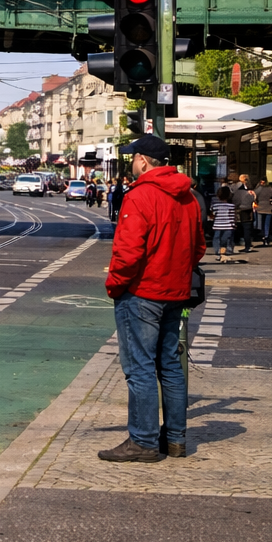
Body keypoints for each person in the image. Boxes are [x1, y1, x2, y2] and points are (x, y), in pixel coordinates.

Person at [100, 133, 204, 463]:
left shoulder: (140, 196)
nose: (132, 162)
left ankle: (143, 441)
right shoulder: (188, 197)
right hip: (176, 292)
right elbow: (199, 247)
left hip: (142, 292)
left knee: (140, 368)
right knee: (170, 366)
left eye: (134, 157)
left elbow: (128, 254)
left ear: (144, 160)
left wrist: (115, 285)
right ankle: (175, 440)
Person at [210, 185, 238, 263]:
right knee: (227, 239)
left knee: (216, 238)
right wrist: (234, 224)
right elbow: (233, 217)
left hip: (217, 225)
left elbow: (212, 215)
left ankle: (218, 251)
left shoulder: (215, 206)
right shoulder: (232, 206)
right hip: (228, 225)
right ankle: (227, 250)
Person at [231, 174, 256, 253]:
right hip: (247, 211)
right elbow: (253, 200)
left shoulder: (237, 192)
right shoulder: (250, 193)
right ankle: (247, 246)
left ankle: (239, 242)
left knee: (239, 228)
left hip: (239, 210)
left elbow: (235, 201)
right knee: (247, 229)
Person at [253, 178, 272, 247]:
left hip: (260, 208)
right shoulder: (271, 189)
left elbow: (254, 197)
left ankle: (261, 235)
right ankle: (266, 236)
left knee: (260, 223)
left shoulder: (258, 189)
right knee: (267, 224)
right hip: (269, 208)